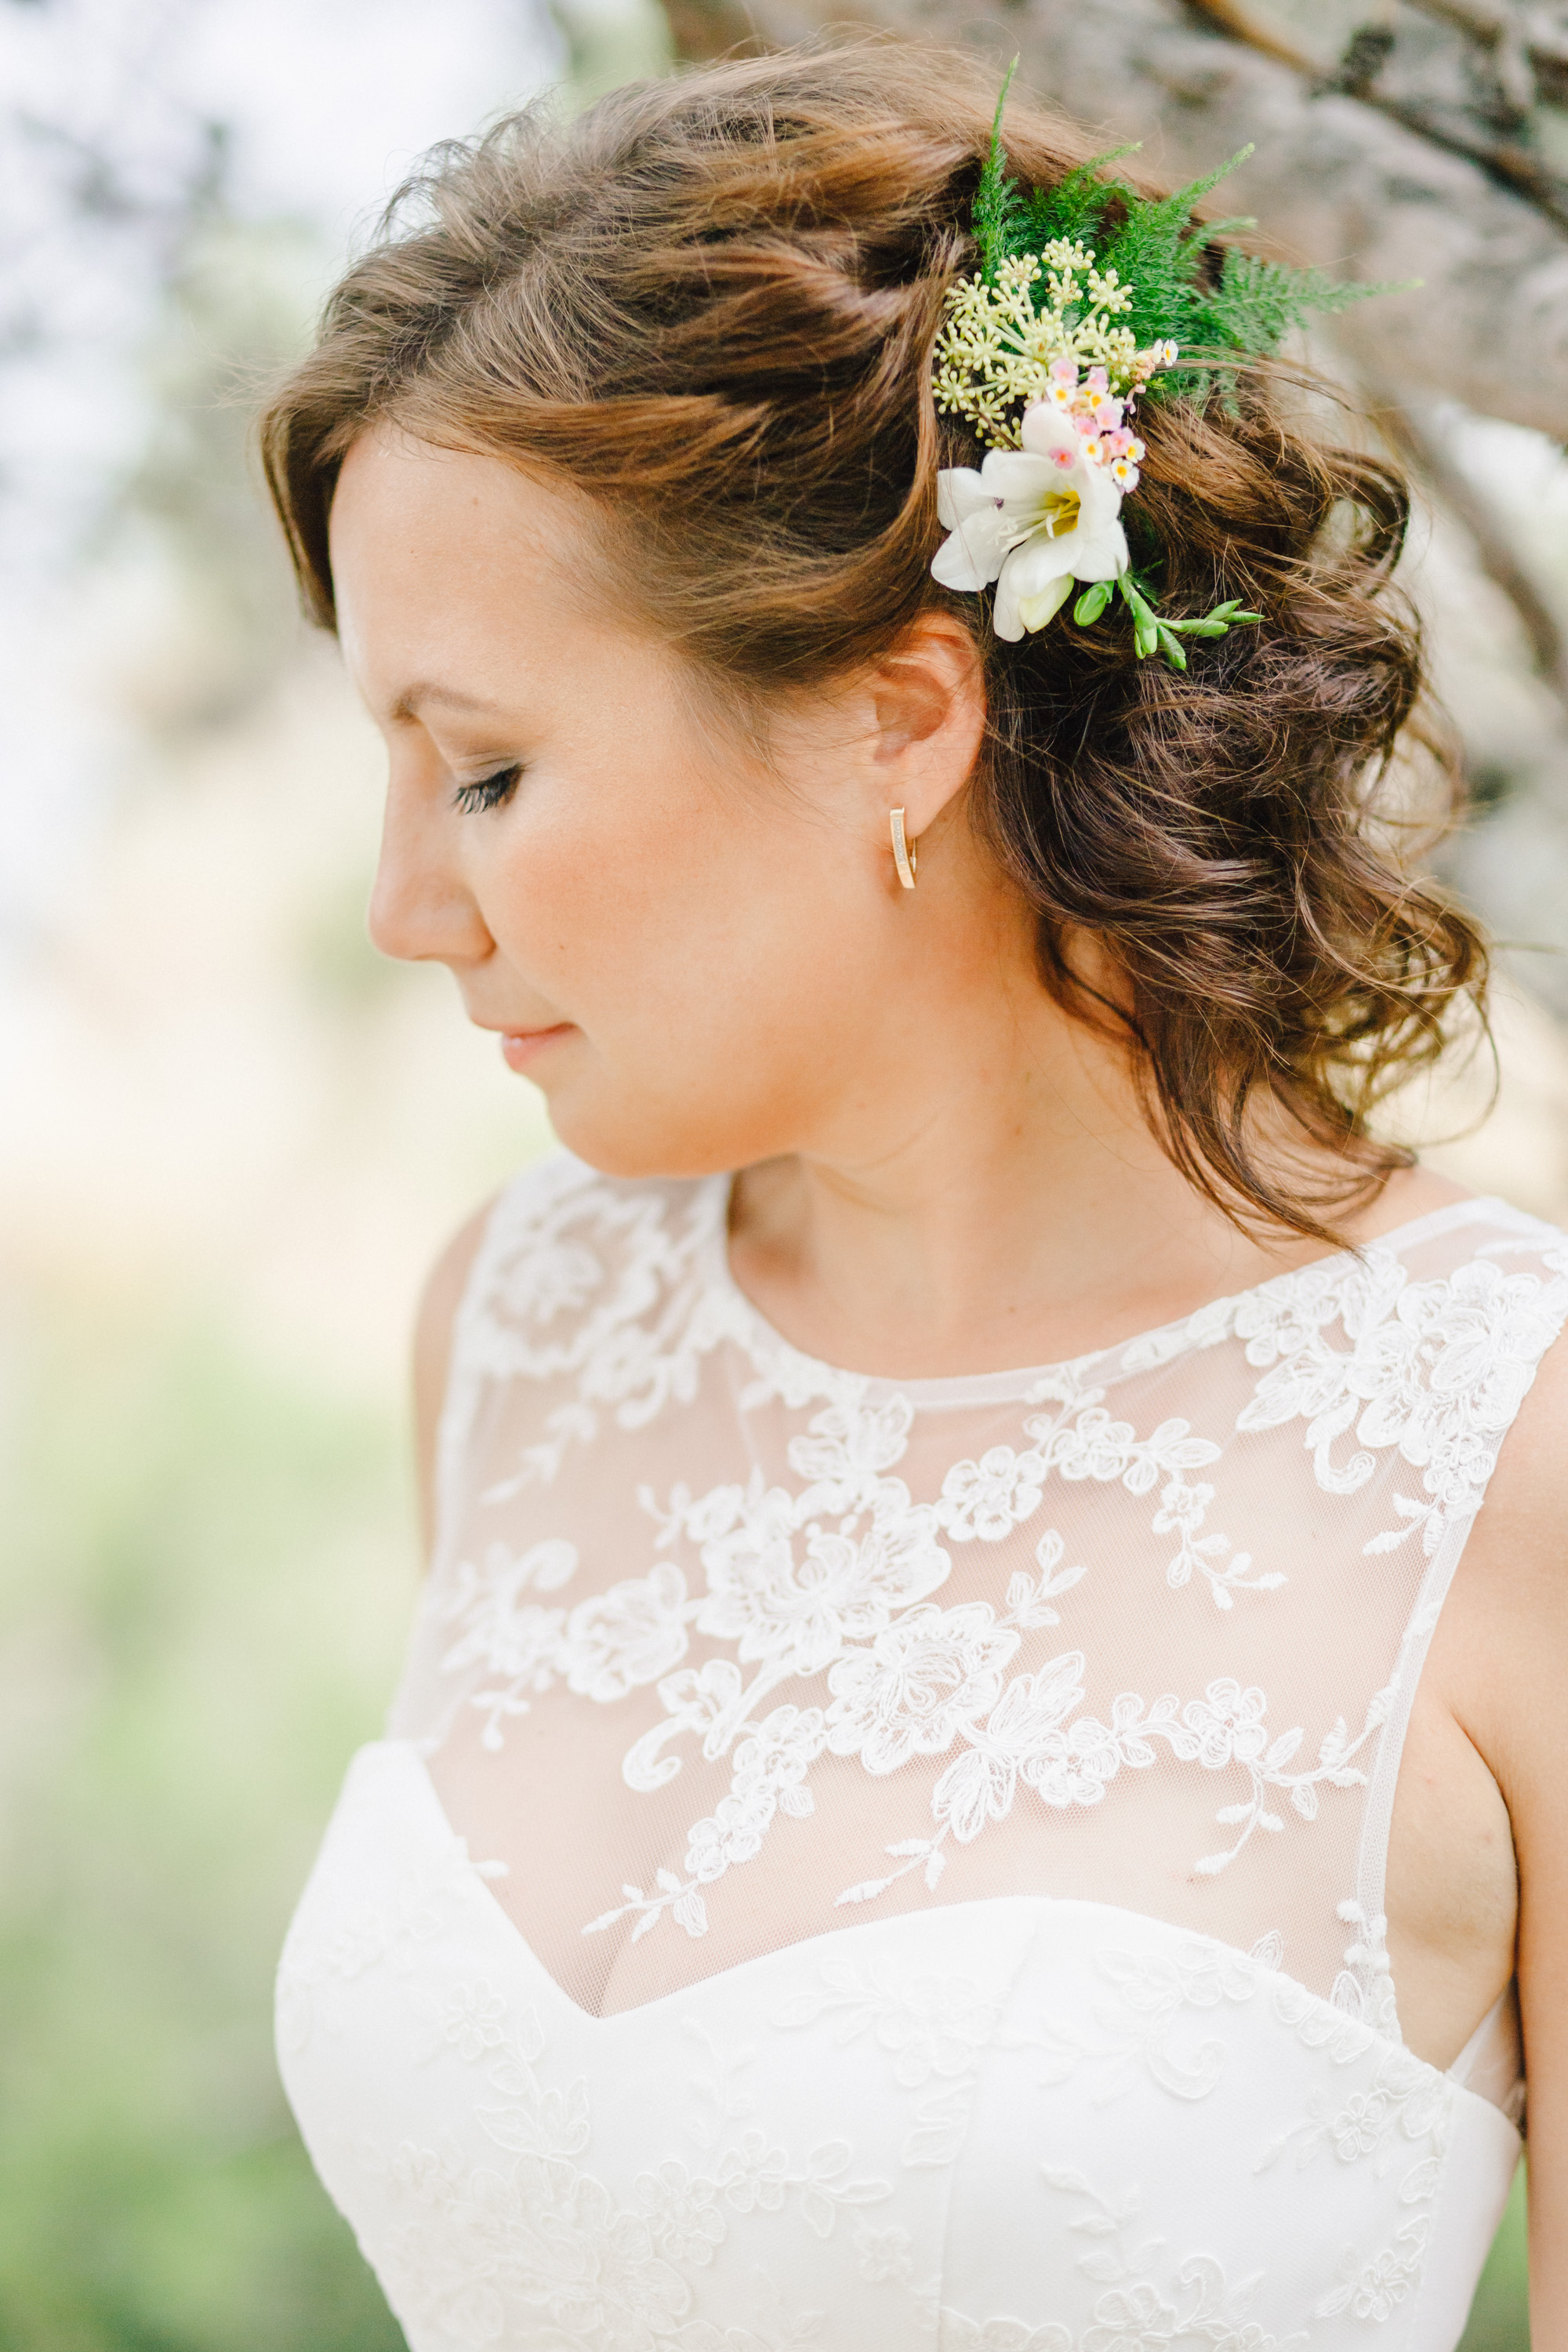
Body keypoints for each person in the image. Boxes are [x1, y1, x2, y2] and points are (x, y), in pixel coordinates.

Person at [263, 42, 1568, 2350]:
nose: (409, 906)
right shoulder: (520, 1326)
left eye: (483, 769)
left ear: (902, 722)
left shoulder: (1513, 1452)